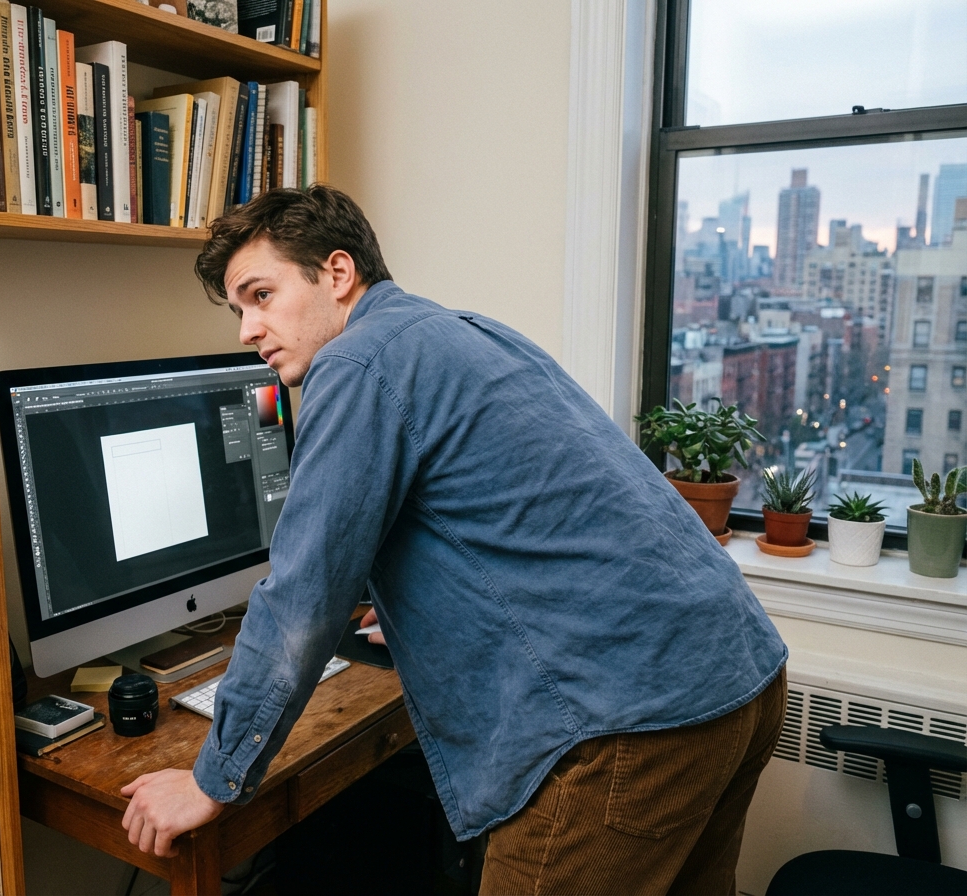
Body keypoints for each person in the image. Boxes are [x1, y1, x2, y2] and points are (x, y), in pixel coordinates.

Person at [120, 185, 788, 894]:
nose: (248, 329)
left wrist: (213, 778)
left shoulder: (357, 362)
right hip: (734, 674)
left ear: (338, 273)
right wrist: (417, 603)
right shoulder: (463, 330)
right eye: (239, 309)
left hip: (627, 722)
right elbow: (531, 510)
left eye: (261, 295)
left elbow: (301, 598)